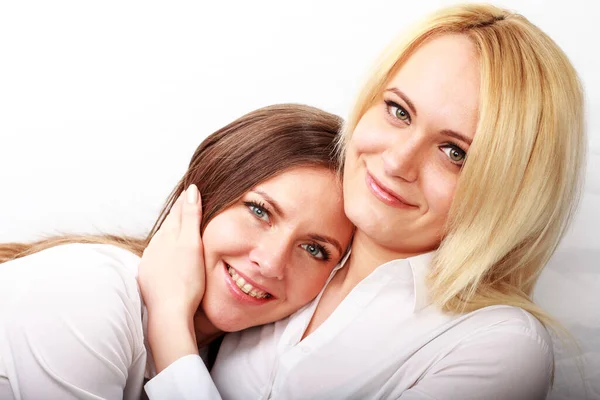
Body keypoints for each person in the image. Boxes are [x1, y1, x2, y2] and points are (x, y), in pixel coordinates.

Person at [142, 3, 586, 399]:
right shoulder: (282, 258)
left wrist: (169, 329)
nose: (396, 161)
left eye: (455, 153)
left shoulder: (499, 345)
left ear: (511, 191)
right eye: (399, 111)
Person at [0, 104, 354, 399]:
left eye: (313, 249)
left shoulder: (228, 365)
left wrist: (171, 326)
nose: (271, 262)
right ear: (205, 193)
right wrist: (168, 318)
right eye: (260, 211)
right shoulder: (91, 294)